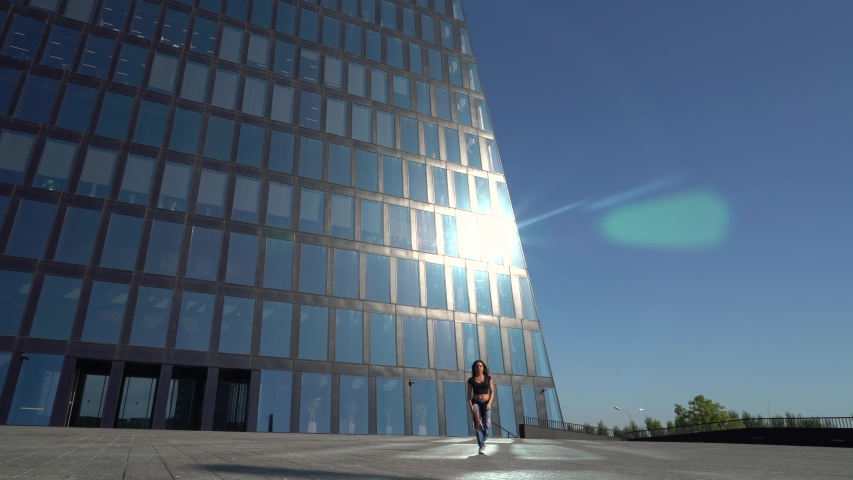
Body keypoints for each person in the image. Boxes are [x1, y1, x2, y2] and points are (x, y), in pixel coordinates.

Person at [466, 360, 495, 455]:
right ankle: (481, 446)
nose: (479, 368)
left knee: (486, 425)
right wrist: (471, 406)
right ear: (475, 368)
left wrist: (489, 403)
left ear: (483, 368)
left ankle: (484, 436)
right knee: (478, 424)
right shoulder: (471, 380)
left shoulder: (488, 378)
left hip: (486, 403)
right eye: (477, 366)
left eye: (480, 366)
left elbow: (492, 392)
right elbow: (469, 395)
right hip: (476, 403)